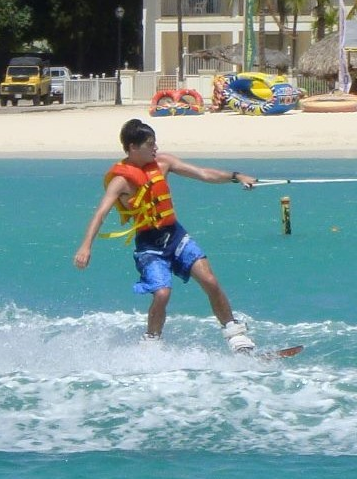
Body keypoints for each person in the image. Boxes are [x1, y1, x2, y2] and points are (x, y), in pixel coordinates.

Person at [75, 118, 258, 352]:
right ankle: (151, 342)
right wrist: (85, 246)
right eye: (150, 144)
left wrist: (237, 176)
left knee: (209, 280)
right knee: (162, 293)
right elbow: (100, 213)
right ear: (132, 147)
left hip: (175, 235)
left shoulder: (163, 163)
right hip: (149, 245)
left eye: (155, 143)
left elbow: (203, 173)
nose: (155, 149)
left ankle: (234, 333)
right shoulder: (121, 181)